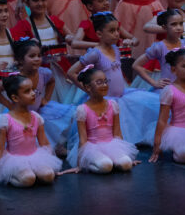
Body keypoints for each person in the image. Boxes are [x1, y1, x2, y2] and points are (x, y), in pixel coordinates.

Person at [66, 12, 156, 145]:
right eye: (112, 31)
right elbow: (71, 72)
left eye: (117, 30)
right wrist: (89, 90)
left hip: (122, 97)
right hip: (105, 100)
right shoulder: (95, 53)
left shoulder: (115, 49)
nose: (117, 34)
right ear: (99, 34)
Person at [0, 75, 62, 188]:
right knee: (28, 179)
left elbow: (44, 143)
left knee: (49, 176)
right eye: (27, 91)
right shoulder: (6, 120)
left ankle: (34, 173)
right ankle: (9, 177)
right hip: (14, 159)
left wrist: (53, 164)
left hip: (35, 155)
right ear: (15, 98)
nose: (33, 93)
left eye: (33, 89)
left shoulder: (36, 117)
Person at [70, 65, 138, 173]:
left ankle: (113, 161)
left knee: (127, 164)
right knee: (106, 166)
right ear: (88, 87)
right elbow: (83, 139)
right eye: (99, 82)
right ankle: (90, 164)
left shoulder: (113, 105)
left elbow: (117, 133)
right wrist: (80, 163)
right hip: (93, 147)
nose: (104, 85)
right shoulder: (83, 109)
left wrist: (126, 154)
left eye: (106, 81)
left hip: (111, 144)